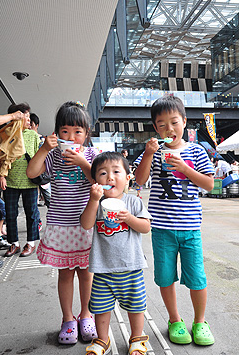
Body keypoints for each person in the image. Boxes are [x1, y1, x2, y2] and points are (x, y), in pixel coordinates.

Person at [135, 95, 215, 346]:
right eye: (162, 125)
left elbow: (209, 185)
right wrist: (148, 154)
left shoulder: (197, 151)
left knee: (197, 278)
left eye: (174, 122)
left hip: (190, 228)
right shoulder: (154, 151)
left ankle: (200, 322)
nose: (169, 129)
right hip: (161, 229)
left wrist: (186, 169)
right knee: (166, 276)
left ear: (184, 122)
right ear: (155, 128)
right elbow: (139, 180)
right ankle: (175, 320)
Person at [26, 101, 99, 345]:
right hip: (60, 225)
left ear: (86, 134)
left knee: (87, 275)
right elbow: (32, 173)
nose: (71, 137)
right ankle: (68, 319)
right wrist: (44, 149)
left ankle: (86, 315)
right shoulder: (54, 155)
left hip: (85, 226)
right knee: (65, 274)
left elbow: (100, 181)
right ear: (57, 132)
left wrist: (82, 163)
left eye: (78, 132)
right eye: (65, 131)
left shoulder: (91, 155)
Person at [81, 151, 152, 355]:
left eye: (116, 172)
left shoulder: (134, 203)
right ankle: (103, 339)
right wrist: (94, 200)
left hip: (131, 267)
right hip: (103, 269)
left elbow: (145, 227)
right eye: (103, 173)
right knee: (100, 307)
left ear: (128, 178)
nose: (109, 177)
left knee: (136, 306)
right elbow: (86, 224)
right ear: (95, 181)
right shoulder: (96, 203)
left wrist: (129, 218)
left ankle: (137, 339)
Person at [0, 103, 40, 257]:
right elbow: (1, 156)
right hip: (10, 181)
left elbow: (38, 157)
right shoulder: (6, 133)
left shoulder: (33, 135)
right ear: (17, 117)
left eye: (29, 117)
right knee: (10, 214)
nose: (29, 120)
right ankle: (14, 244)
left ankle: (31, 243)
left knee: (32, 213)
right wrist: (1, 175)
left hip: (29, 181)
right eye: (26, 117)